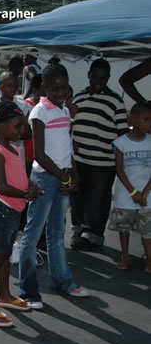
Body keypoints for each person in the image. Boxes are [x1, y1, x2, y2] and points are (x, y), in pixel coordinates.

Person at [18, 60, 90, 310]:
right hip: (46, 179)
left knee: (57, 234)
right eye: (55, 88)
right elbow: (38, 154)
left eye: (64, 88)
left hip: (63, 177)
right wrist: (63, 176)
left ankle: (63, 281)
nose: (60, 93)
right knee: (32, 235)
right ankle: (27, 291)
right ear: (44, 87)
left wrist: (73, 174)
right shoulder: (40, 112)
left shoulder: (65, 111)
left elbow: (66, 147)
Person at [0, 102, 42, 328]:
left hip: (13, 210)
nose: (20, 131)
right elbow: (2, 186)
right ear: (1, 126)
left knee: (4, 255)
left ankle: (4, 295)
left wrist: (31, 186)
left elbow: (20, 178)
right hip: (3, 210)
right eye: (16, 127)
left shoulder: (13, 150)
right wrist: (27, 193)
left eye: (22, 127)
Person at [70, 59, 129, 251]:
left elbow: (121, 134)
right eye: (95, 76)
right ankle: (78, 229)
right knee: (78, 197)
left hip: (103, 163)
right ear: (89, 75)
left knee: (98, 199)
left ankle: (93, 235)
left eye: (103, 78)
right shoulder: (78, 97)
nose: (98, 81)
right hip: (79, 160)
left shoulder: (115, 101)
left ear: (108, 79)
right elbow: (72, 124)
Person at [108, 102, 151, 273]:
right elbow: (119, 169)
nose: (149, 124)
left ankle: (149, 260)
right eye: (146, 120)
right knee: (123, 229)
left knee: (147, 231)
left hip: (147, 197)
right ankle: (125, 257)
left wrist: (145, 192)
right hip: (126, 196)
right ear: (133, 119)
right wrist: (133, 192)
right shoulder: (121, 143)